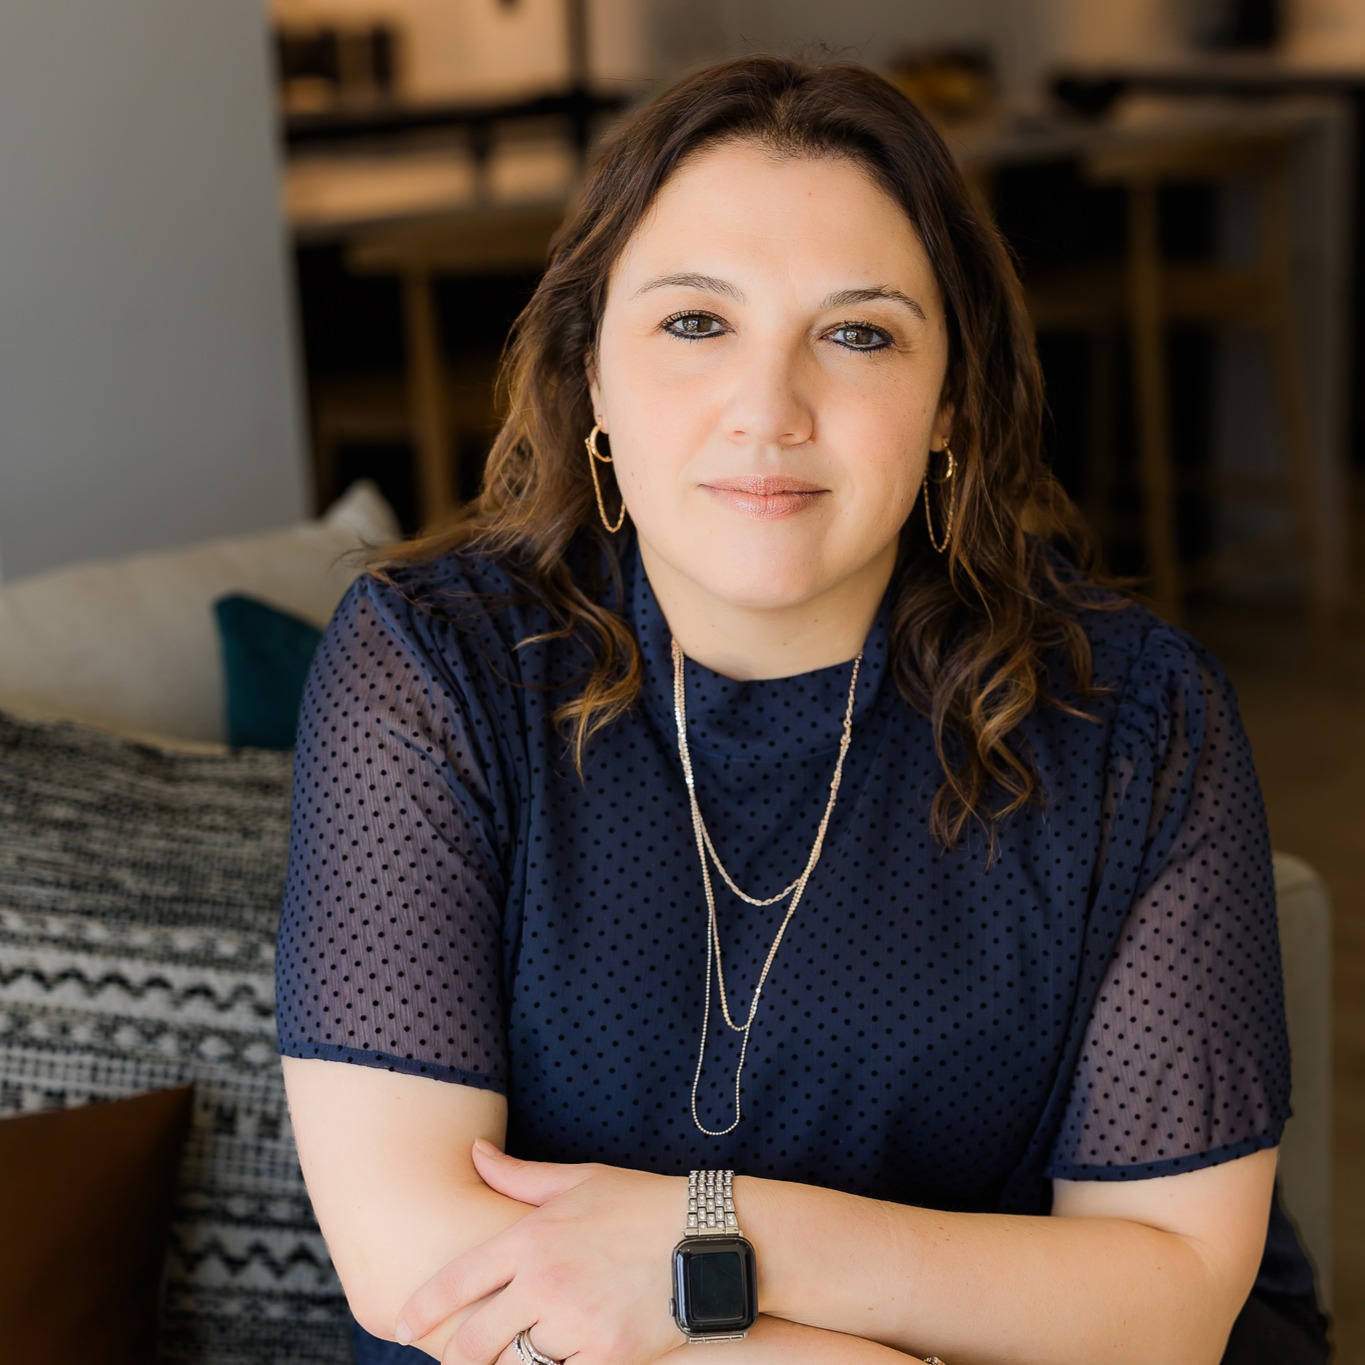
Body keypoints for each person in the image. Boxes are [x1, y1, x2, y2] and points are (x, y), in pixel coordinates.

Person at [276, 55, 1330, 1365]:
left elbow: (1166, 1297)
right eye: (694, 324)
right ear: (591, 377)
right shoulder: (433, 666)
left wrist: (709, 1236)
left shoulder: (1132, 718)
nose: (767, 411)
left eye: (857, 332)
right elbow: (423, 1269)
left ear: (950, 404)